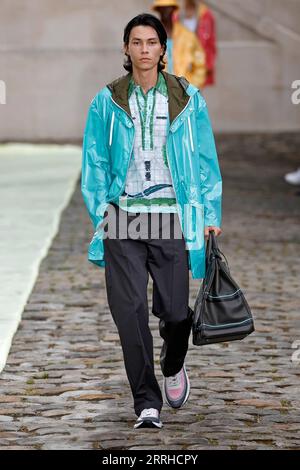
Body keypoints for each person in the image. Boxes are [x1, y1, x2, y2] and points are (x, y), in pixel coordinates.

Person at [81, 13, 222, 429]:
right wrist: (101, 214)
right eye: (136, 42)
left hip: (171, 217)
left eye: (151, 42)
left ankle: (174, 361)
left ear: (163, 49)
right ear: (125, 49)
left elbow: (204, 160)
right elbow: (94, 162)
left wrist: (209, 213)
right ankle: (146, 401)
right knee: (129, 313)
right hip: (123, 218)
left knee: (177, 312)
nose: (144, 49)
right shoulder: (106, 101)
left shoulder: (187, 97)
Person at [151, 0, 206, 89]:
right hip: (158, 91)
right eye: (162, 8)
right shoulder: (150, 35)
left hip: (183, 92)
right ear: (158, 10)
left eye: (168, 8)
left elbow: (200, 64)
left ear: (173, 9)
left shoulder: (187, 36)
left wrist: (191, 87)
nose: (165, 11)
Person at [181, 0, 217, 87]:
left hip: (198, 61)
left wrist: (209, 63)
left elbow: (210, 42)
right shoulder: (177, 14)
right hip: (181, 61)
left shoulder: (205, 15)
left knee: (196, 93)